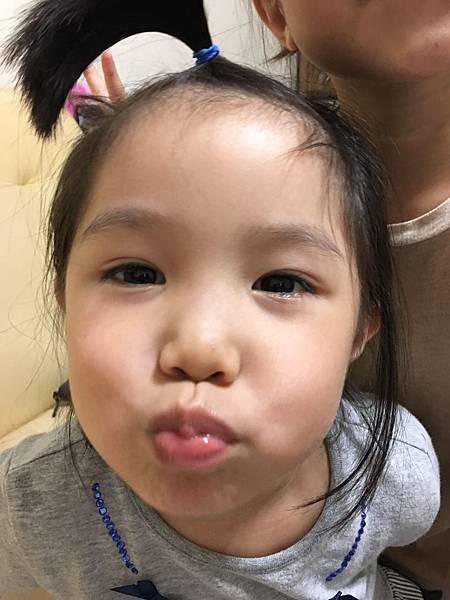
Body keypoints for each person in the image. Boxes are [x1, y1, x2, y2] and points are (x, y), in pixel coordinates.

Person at [0, 38, 441, 600]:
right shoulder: (30, 504)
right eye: (137, 273)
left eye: (280, 283)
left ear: (360, 331)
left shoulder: (395, 473)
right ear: (64, 300)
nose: (199, 348)